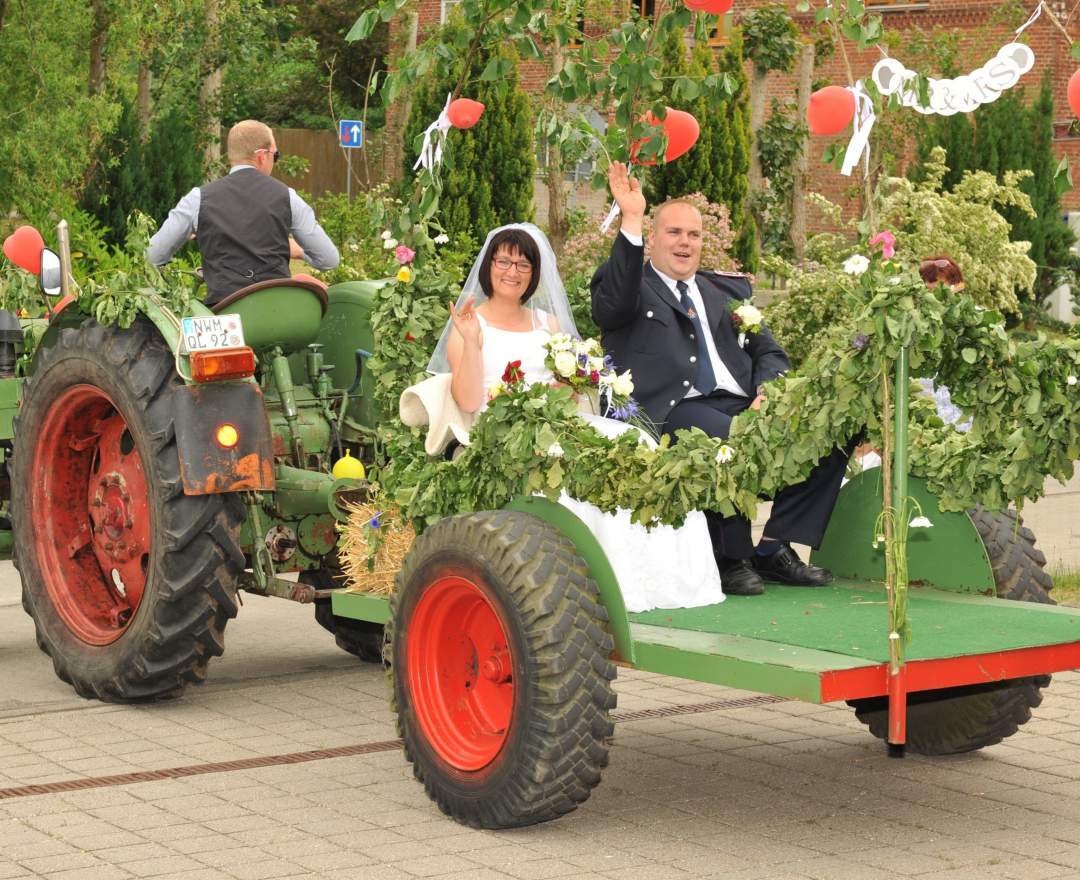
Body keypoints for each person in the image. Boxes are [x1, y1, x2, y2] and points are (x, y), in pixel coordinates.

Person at [427, 222, 725, 613]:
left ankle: (660, 580)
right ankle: (600, 587)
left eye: (523, 265)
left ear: (534, 274)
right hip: (505, 429)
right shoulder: (470, 323)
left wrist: (564, 390)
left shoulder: (546, 324)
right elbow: (467, 401)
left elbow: (571, 388)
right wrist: (471, 343)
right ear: (489, 266)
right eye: (504, 262)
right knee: (568, 469)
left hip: (556, 421)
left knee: (637, 443)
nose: (512, 272)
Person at [591, 162, 851, 596]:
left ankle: (773, 547)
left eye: (693, 235)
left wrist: (769, 390)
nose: (684, 242)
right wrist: (631, 218)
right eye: (673, 232)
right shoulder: (630, 284)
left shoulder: (725, 292)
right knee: (728, 437)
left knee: (831, 432)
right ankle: (731, 557)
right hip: (668, 409)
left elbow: (769, 351)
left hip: (742, 402)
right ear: (653, 238)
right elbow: (611, 307)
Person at [147, 119, 340, 306]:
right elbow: (329, 259)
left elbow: (153, 256)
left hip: (225, 314)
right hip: (278, 312)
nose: (274, 161)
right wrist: (299, 252)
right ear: (262, 155)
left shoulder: (197, 199)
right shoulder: (288, 197)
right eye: (276, 155)